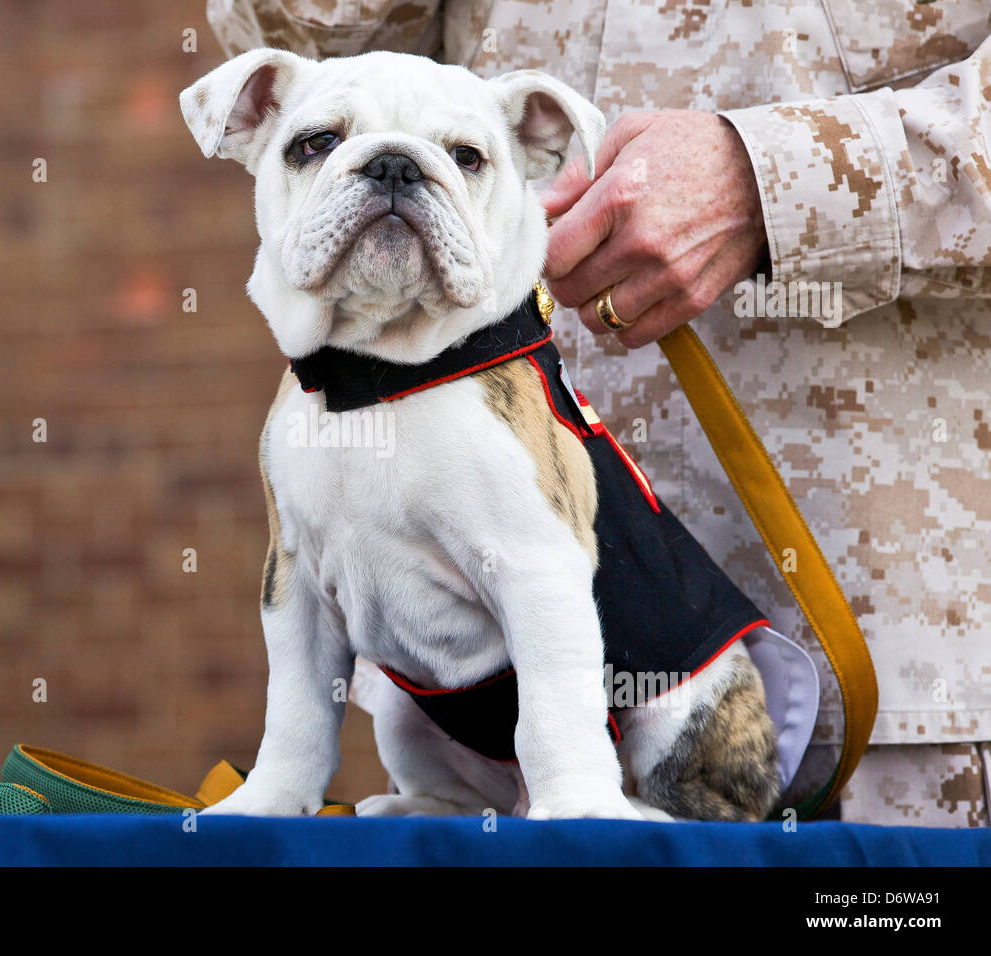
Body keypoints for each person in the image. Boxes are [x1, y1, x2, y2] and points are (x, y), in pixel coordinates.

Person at [205, 0, 991, 826]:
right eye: (322, 144)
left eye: (461, 156)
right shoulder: (307, 411)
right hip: (468, 729)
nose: (393, 175)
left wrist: (777, 178)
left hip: (894, 653)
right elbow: (289, 42)